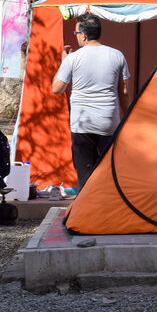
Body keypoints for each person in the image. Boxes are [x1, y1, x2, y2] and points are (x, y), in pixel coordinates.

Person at [52, 13, 131, 190]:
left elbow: (56, 89)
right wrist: (126, 117)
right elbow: (124, 92)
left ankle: (84, 213)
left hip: (82, 124)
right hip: (108, 122)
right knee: (108, 173)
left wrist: (63, 63)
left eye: (76, 32)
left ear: (84, 35)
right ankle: (107, 213)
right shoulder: (117, 55)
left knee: (85, 174)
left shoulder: (73, 58)